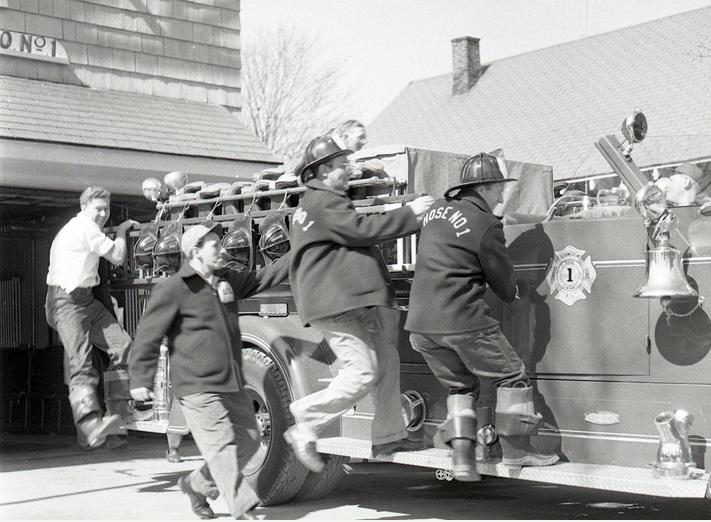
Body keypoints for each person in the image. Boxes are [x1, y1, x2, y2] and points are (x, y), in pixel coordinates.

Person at [283, 135, 435, 472]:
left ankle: (387, 437)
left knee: (386, 359)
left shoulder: (314, 203)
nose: (348, 170)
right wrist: (411, 214)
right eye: (340, 166)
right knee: (364, 371)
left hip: (341, 302)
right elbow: (359, 231)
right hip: (337, 304)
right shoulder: (324, 201)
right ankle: (305, 420)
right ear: (322, 170)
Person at [405, 153, 559, 482]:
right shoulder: (487, 223)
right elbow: (502, 284)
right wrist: (520, 290)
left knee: (461, 386)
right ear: (485, 188)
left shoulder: (434, 213)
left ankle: (462, 458)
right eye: (499, 189)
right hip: (462, 321)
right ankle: (517, 455)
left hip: (420, 327)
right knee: (512, 376)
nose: (503, 196)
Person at [128, 224, 289, 520]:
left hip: (230, 381)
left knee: (250, 440)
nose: (223, 250)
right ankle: (244, 505)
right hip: (196, 385)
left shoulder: (226, 280)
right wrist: (140, 379)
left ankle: (196, 485)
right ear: (195, 252)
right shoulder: (174, 288)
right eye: (215, 246)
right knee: (222, 446)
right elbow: (148, 335)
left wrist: (302, 250)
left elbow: (263, 277)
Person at [45, 186, 138, 450]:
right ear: (84, 208)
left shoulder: (81, 228)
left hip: (85, 301)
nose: (103, 214)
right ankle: (88, 426)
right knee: (81, 364)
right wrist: (121, 231)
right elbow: (118, 257)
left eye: (106, 209)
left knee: (123, 346)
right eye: (98, 208)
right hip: (65, 302)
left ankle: (118, 418)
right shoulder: (84, 228)